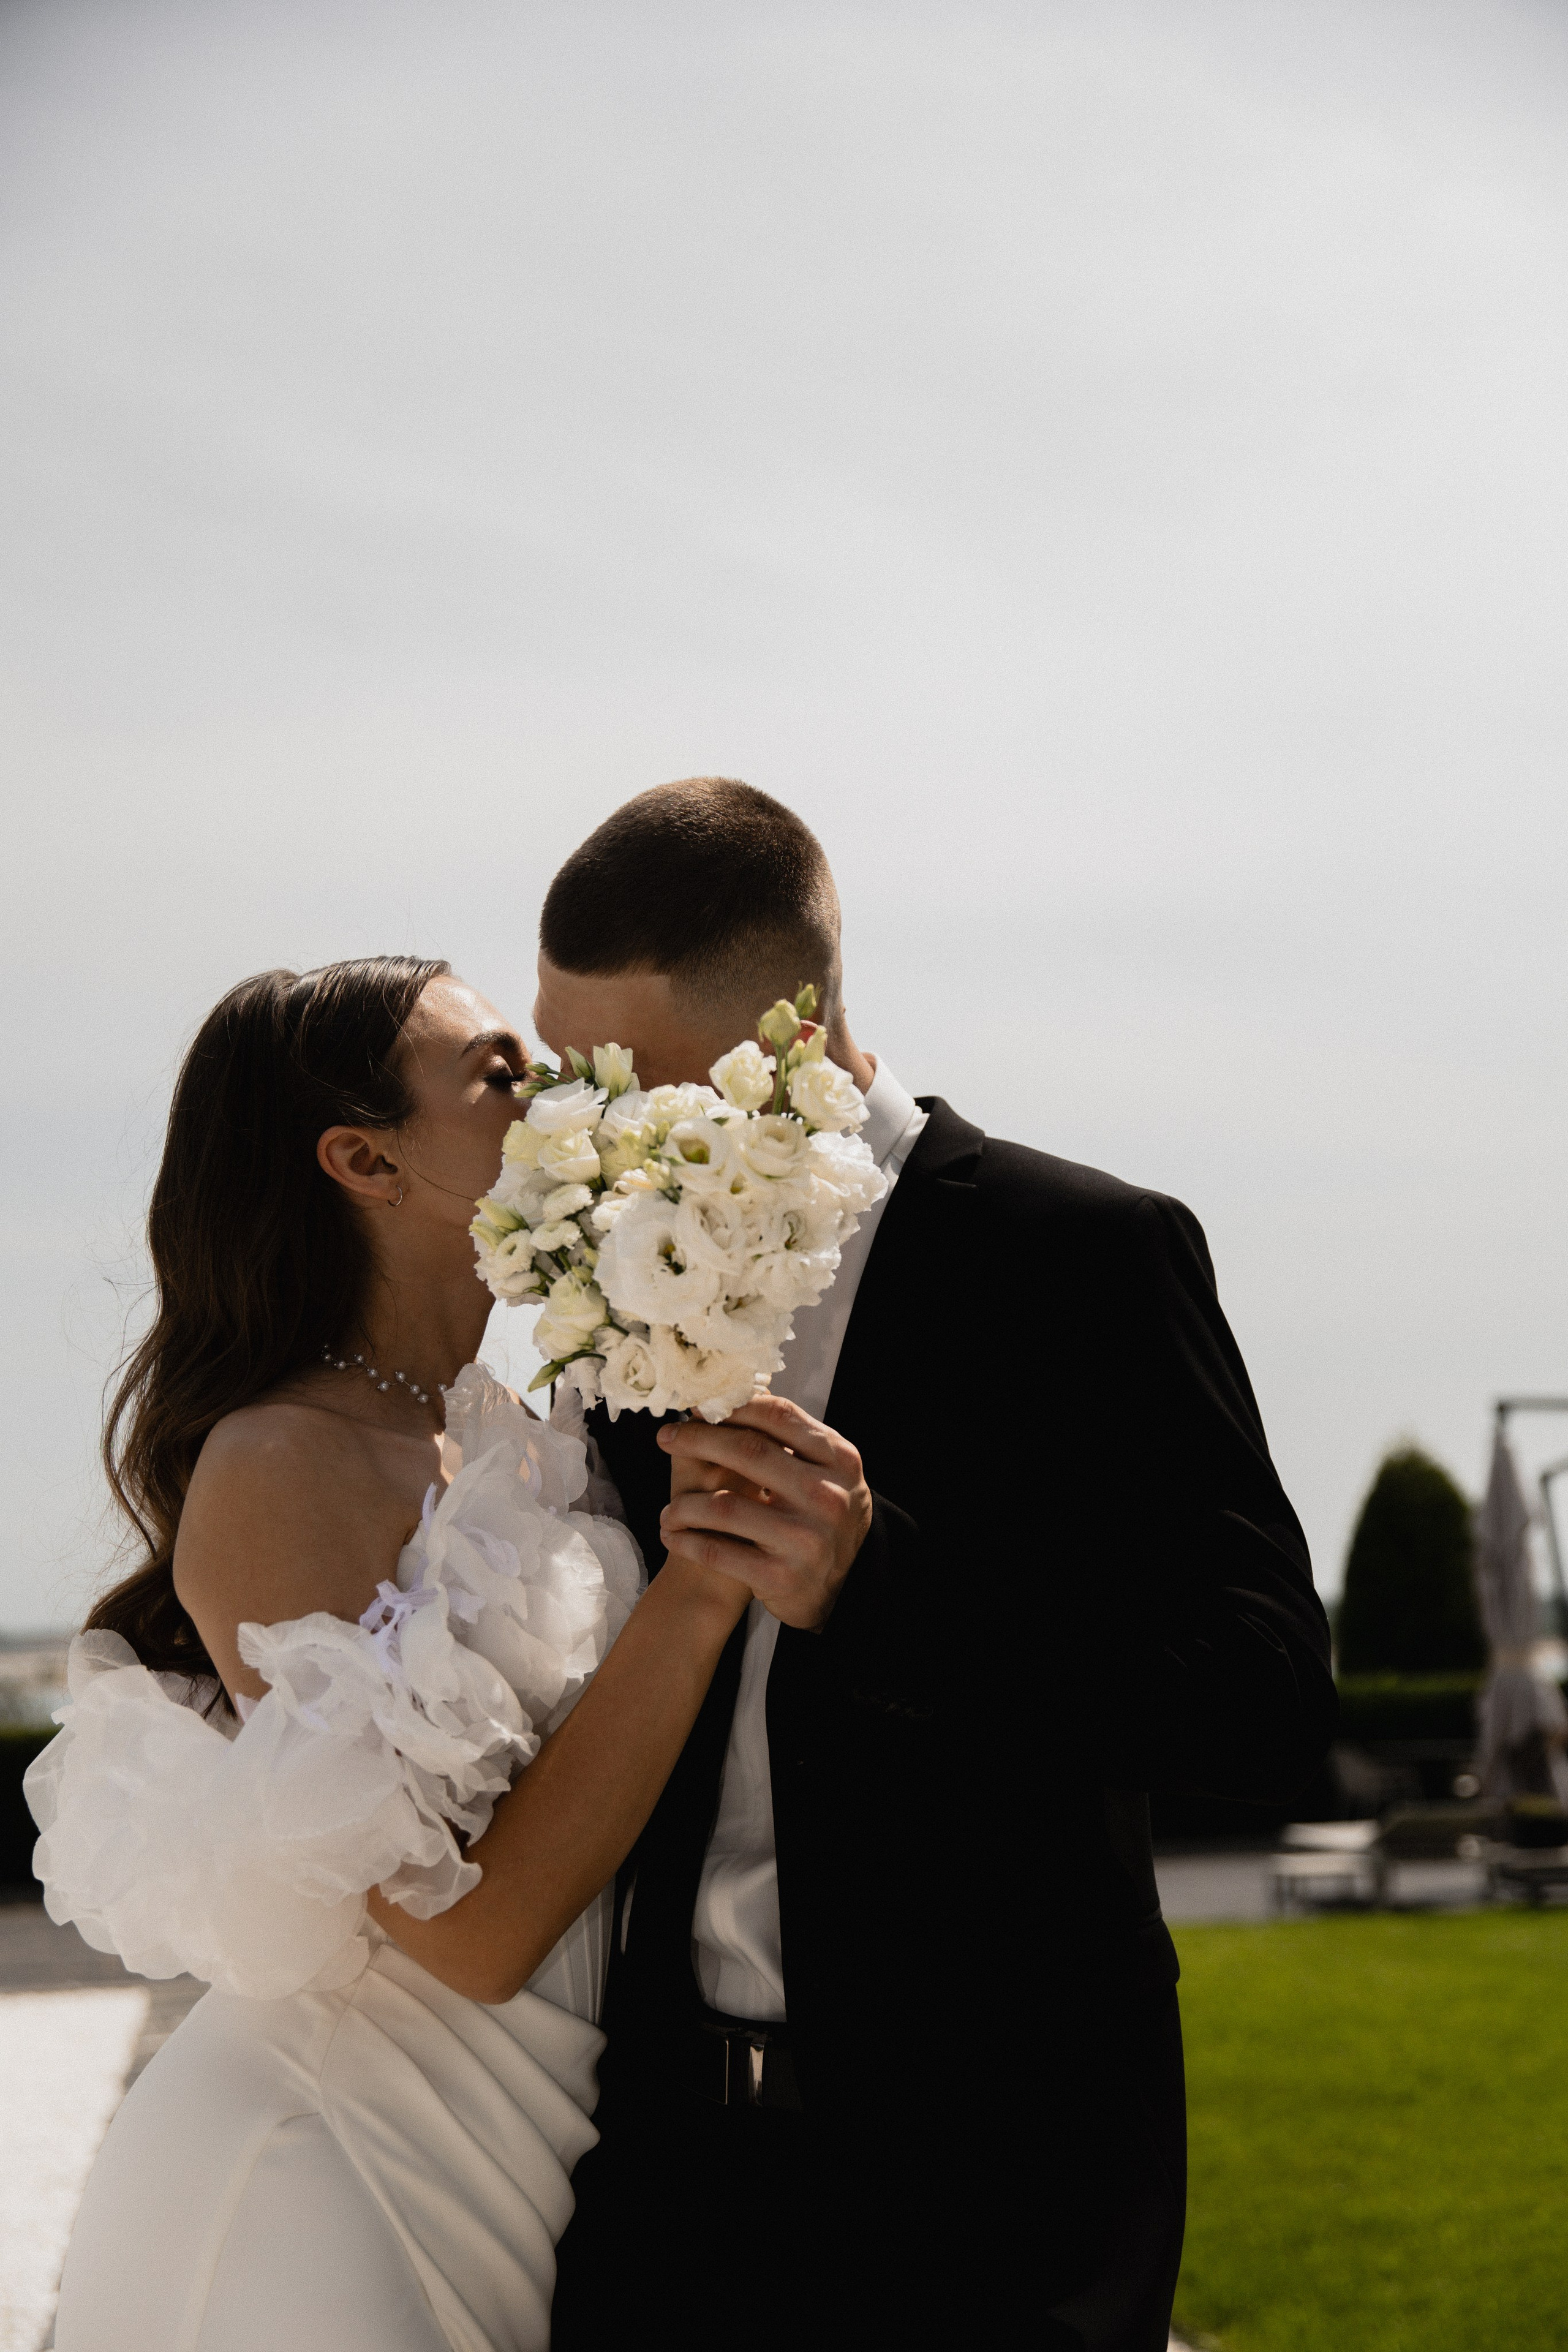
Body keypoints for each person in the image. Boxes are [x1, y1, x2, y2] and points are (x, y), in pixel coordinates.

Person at [537, 778, 1338, 2352]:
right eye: (578, 1080)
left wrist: (882, 1586)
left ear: (791, 1029)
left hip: (991, 2188)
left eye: (632, 1084)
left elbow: (1264, 1704)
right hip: (668, 2180)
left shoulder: (1084, 1257)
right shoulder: (626, 1284)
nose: (598, 1130)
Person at [28, 955, 755, 2352]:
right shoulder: (277, 1461)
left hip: (527, 2162)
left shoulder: (524, 1431)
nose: (550, 1090)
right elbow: (466, 1937)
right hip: (318, 2164)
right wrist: (701, 1585)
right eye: (496, 1071)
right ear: (364, 1159)